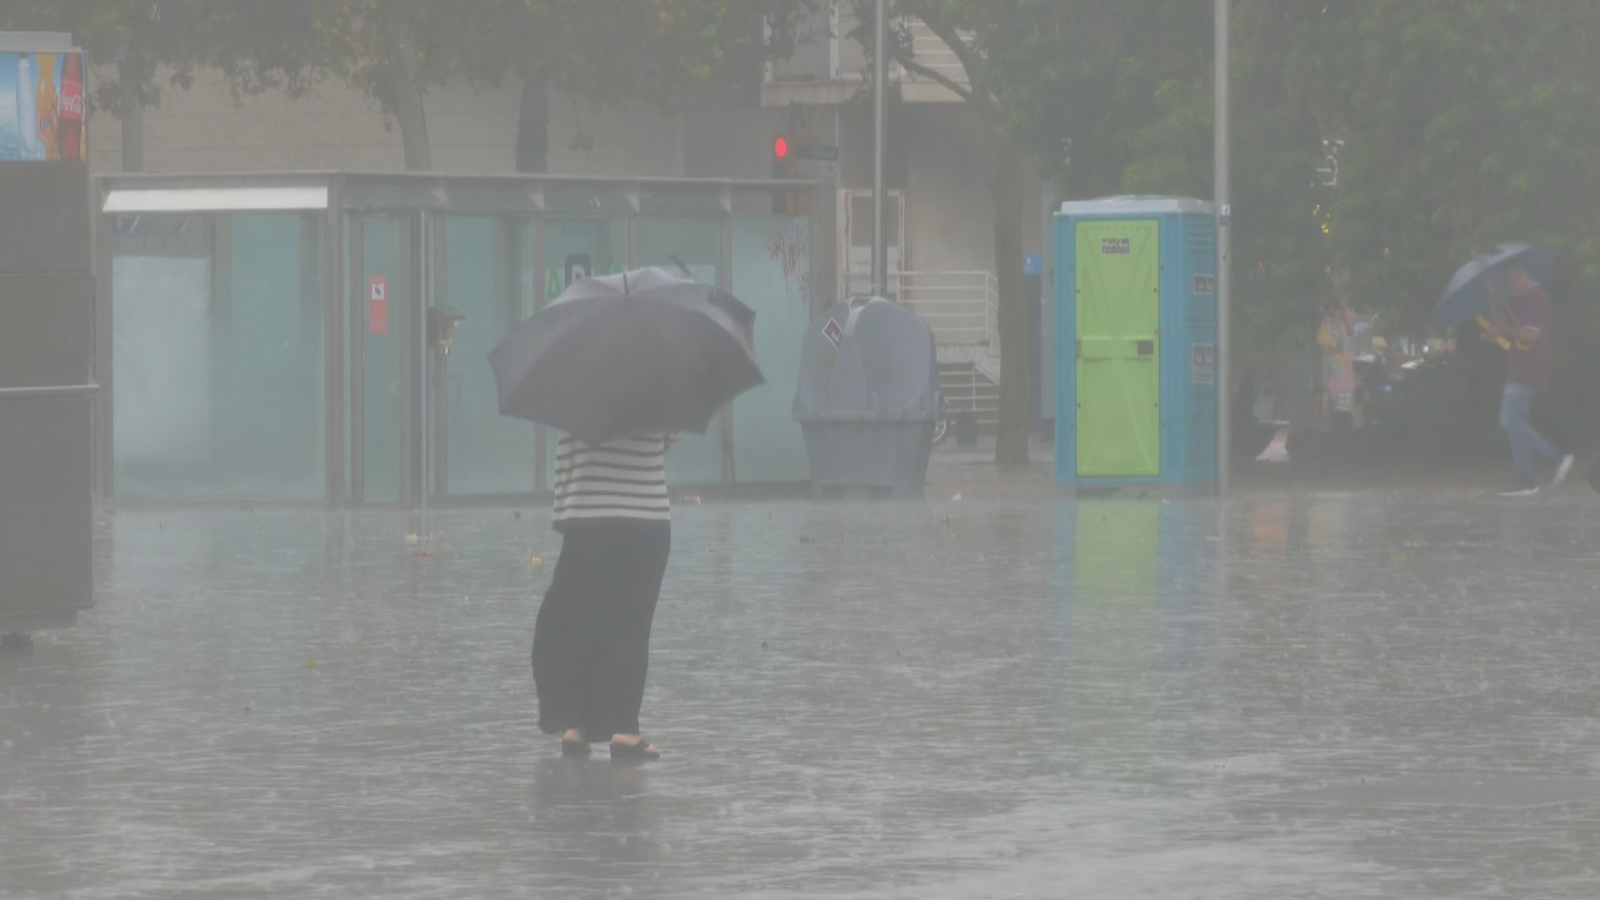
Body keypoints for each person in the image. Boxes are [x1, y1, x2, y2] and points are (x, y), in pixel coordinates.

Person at [533, 432, 676, 760]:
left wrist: (564, 514)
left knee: (580, 622)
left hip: (586, 517)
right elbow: (669, 437)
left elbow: (565, 456)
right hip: (645, 515)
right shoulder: (656, 381)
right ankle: (624, 730)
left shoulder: (572, 383)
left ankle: (576, 724)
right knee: (631, 626)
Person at [1483, 260, 1574, 496]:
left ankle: (1556, 457)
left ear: (1522, 276)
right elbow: (1501, 321)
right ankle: (1526, 482)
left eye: (1510, 282)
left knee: (1509, 420)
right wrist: (1493, 296)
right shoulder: (1522, 300)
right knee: (1516, 423)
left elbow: (1530, 336)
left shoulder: (1537, 298)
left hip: (1528, 368)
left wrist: (1502, 330)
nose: (1509, 287)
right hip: (1518, 366)